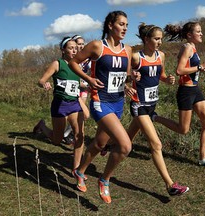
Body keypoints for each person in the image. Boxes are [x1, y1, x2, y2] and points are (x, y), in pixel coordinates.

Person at [69, 10, 134, 204]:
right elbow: (74, 63)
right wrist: (88, 79)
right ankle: (104, 180)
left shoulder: (127, 50)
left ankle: (79, 171)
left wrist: (129, 84)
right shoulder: (97, 46)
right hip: (100, 102)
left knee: (99, 144)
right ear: (110, 25)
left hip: (118, 102)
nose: (124, 28)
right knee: (124, 146)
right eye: (121, 24)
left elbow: (125, 75)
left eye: (127, 25)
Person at [122, 23, 189, 196]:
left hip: (152, 104)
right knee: (156, 144)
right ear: (146, 39)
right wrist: (126, 84)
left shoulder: (161, 56)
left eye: (161, 39)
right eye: (156, 39)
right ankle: (170, 185)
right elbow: (120, 73)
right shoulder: (136, 57)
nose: (160, 42)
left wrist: (168, 80)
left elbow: (161, 75)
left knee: (127, 140)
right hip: (139, 105)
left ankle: (108, 145)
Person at [153, 22, 205, 168]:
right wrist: (200, 66)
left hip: (195, 90)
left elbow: (188, 69)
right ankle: (154, 117)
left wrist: (198, 70)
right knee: (183, 130)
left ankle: (203, 158)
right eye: (199, 31)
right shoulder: (187, 47)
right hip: (185, 92)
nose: (202, 33)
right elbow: (179, 70)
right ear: (190, 35)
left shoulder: (193, 48)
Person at [33, 36, 85, 172]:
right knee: (57, 140)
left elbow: (77, 83)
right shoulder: (57, 64)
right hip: (60, 105)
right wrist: (45, 83)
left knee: (79, 135)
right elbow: (41, 80)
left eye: (76, 48)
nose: (74, 51)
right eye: (71, 48)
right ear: (63, 50)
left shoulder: (77, 65)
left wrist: (89, 84)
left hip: (74, 104)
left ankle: (77, 170)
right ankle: (42, 126)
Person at [63, 35, 90, 145]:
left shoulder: (86, 58)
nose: (81, 46)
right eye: (79, 44)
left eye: (83, 44)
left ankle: (69, 134)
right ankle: (66, 133)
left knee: (82, 114)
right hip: (74, 88)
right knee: (78, 114)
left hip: (83, 88)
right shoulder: (72, 59)